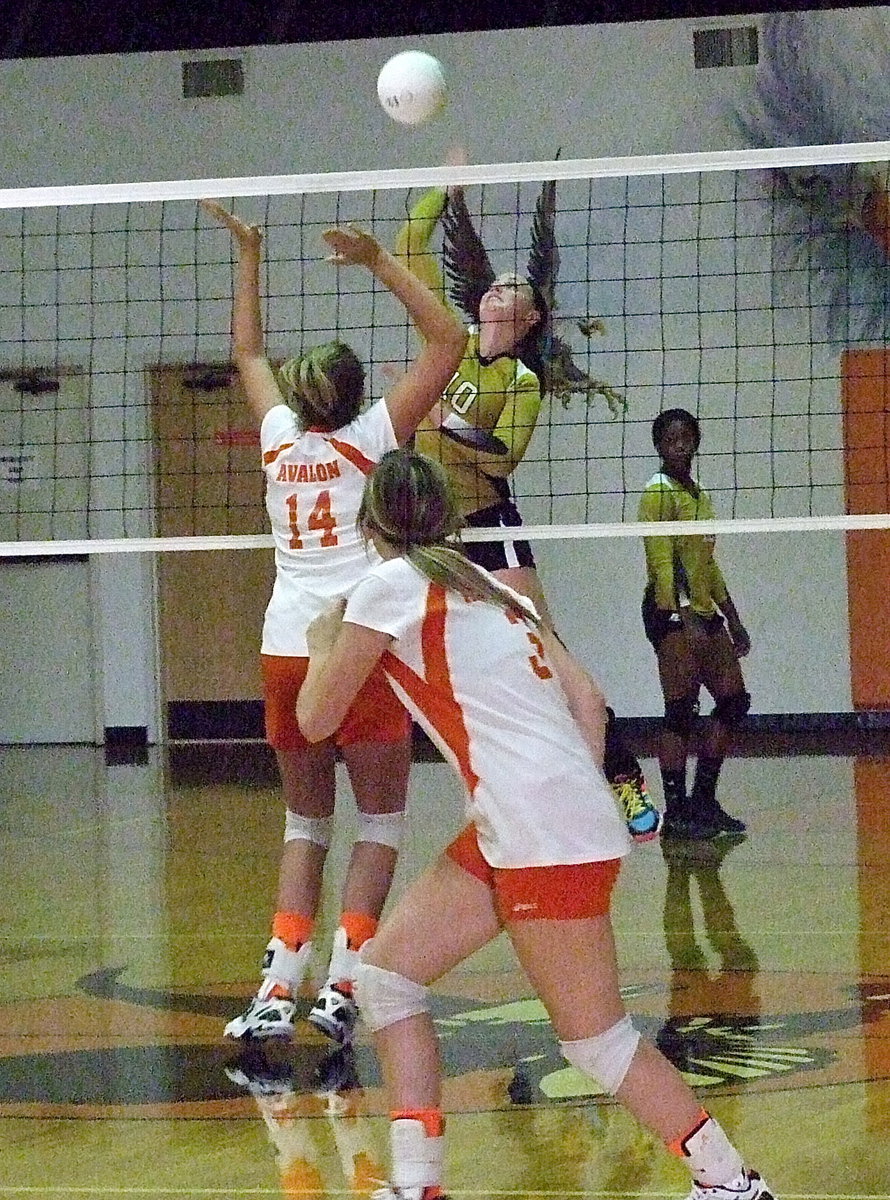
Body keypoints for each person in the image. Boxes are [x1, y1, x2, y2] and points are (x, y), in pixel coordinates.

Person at [295, 447, 775, 1200]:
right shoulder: (492, 586)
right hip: (530, 820)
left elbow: (314, 717)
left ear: (371, 523)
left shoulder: (386, 588)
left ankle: (731, 1184)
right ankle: (417, 1183)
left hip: (540, 833)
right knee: (386, 977)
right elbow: (589, 700)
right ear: (448, 517)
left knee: (595, 1041)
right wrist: (562, 793)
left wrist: (324, 644)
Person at [199, 200, 467, 1043]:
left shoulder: (280, 440)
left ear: (302, 396)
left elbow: (246, 350)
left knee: (304, 823)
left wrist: (250, 251)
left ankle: (280, 986)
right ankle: (346, 983)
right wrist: (381, 263)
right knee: (380, 821)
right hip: (358, 652)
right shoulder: (376, 435)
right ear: (354, 395)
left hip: (286, 646)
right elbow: (448, 342)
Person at [395, 174, 660, 843]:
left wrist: (435, 416)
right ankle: (507, 796)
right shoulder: (446, 345)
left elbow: (500, 456)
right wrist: (443, 192)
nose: (499, 286)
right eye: (496, 281)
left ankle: (622, 777)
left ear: (533, 318)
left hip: (490, 526)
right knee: (470, 665)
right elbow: (406, 248)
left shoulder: (521, 380)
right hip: (434, 537)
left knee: (545, 651)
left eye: (515, 285)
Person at [639, 408, 752, 841]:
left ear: (696, 442)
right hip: (669, 612)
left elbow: (707, 563)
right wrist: (681, 615)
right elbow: (660, 558)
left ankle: (704, 802)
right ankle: (678, 812)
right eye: (671, 439)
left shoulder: (700, 494)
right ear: (659, 446)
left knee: (733, 703)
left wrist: (734, 619)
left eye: (687, 438)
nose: (680, 445)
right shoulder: (658, 492)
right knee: (680, 712)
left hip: (706, 611)